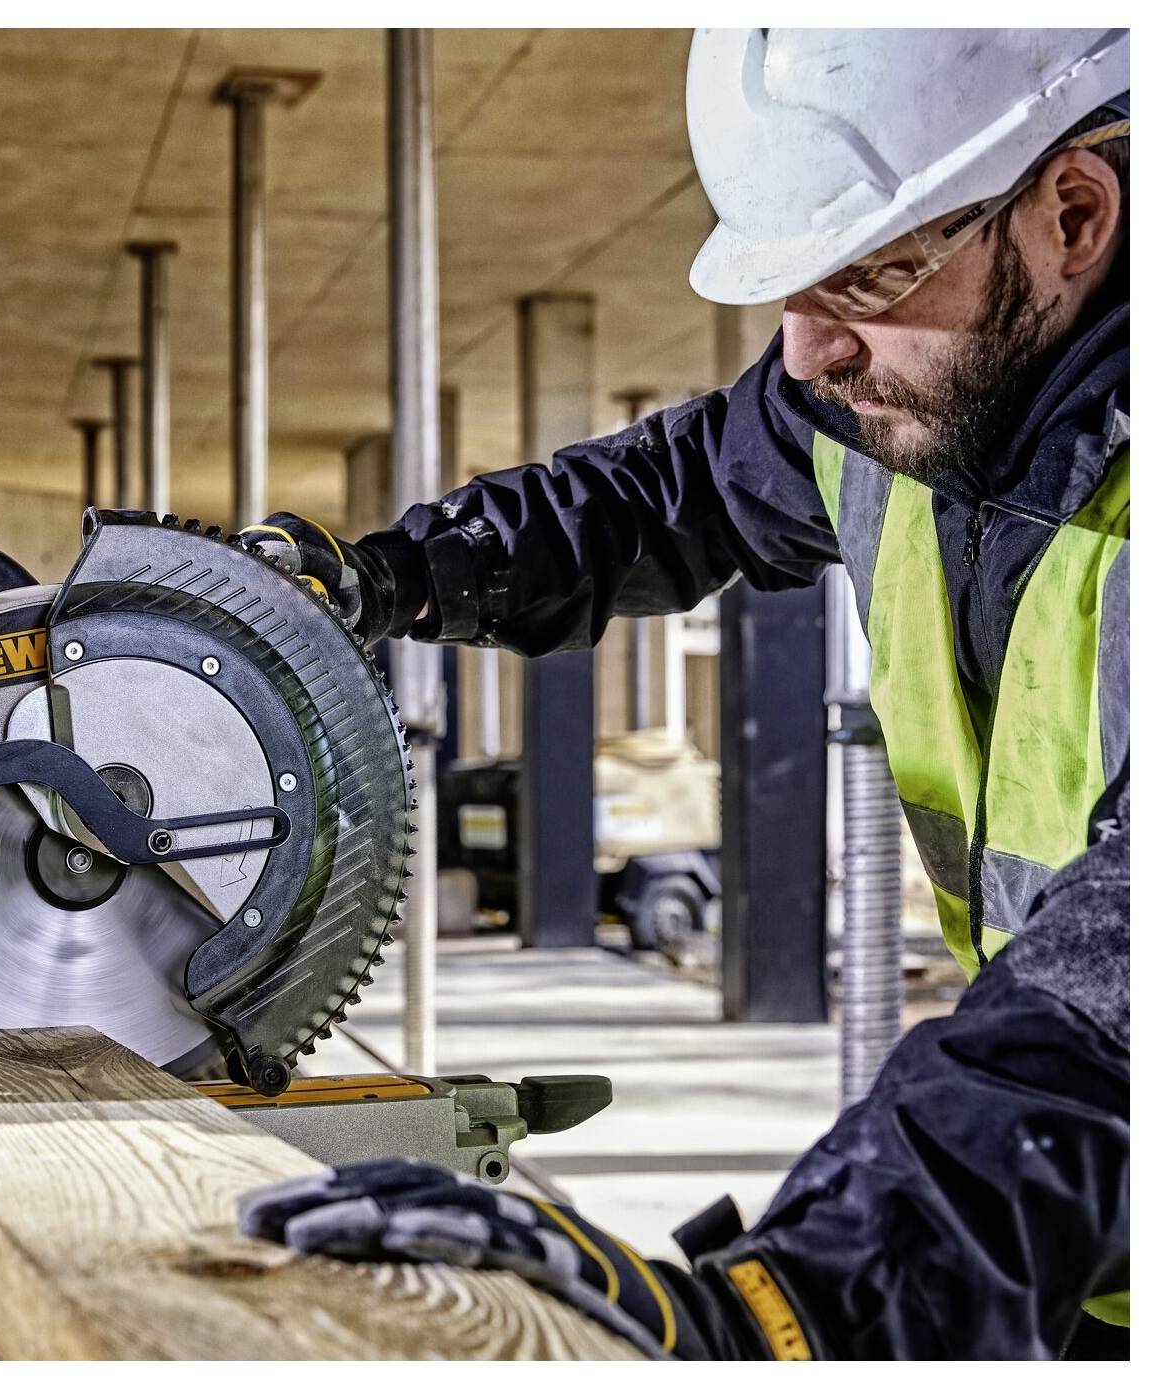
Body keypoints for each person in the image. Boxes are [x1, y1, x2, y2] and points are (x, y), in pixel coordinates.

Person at [238, 29, 1128, 1360]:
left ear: (1071, 215)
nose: (810, 349)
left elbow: (1117, 987)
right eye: (788, 288)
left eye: (869, 274)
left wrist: (799, 1304)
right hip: (1065, 1206)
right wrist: (391, 580)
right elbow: (665, 492)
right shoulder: (894, 400)